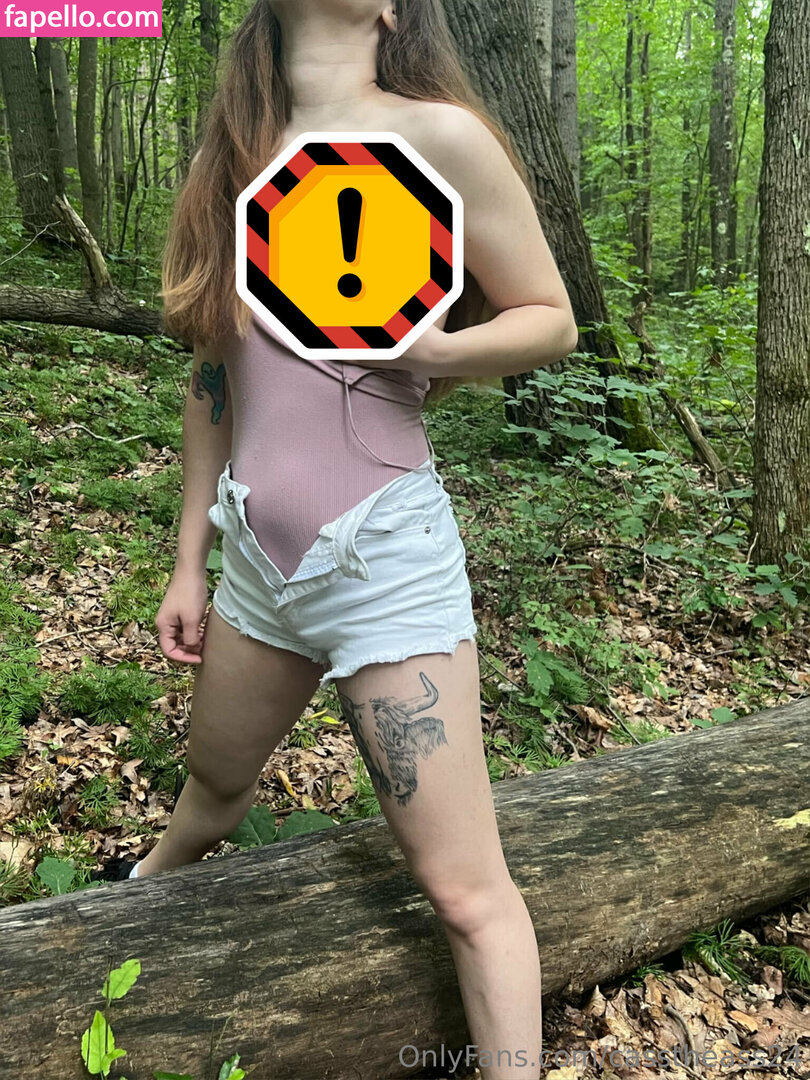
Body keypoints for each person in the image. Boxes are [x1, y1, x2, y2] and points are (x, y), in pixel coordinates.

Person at [131, 1, 578, 1076]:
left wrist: (431, 347)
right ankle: (118, 923)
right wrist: (189, 559)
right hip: (255, 565)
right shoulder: (234, 152)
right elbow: (210, 376)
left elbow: (551, 317)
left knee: (466, 892)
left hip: (383, 562)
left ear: (390, 7)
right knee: (211, 792)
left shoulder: (436, 135)